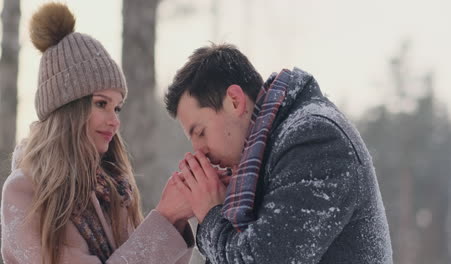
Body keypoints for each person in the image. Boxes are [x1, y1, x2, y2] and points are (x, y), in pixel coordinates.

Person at [165, 43, 393, 263]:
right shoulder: (267, 157)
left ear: (234, 101)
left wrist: (212, 215)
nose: (198, 151)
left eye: (201, 132)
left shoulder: (315, 139)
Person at [1, 3, 193, 264]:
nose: (115, 121)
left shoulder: (114, 188)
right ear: (67, 110)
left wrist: (177, 219)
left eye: (117, 107)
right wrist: (164, 219)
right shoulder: (26, 192)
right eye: (101, 104)